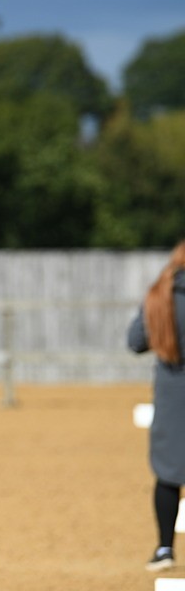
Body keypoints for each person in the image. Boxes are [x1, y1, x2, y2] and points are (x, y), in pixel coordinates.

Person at [128, 241, 185, 571]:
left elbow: (135, 342)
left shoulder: (159, 297)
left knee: (168, 473)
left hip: (170, 392)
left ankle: (164, 548)